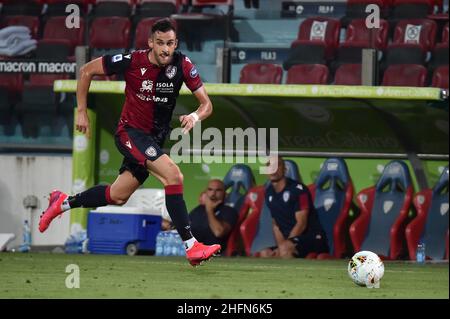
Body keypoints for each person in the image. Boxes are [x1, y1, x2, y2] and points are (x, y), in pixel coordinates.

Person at [38, 18, 220, 267]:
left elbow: (206, 104)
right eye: (160, 43)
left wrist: (194, 116)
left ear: (175, 43)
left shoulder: (183, 64)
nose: (166, 49)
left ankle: (63, 202)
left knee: (117, 195)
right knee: (173, 176)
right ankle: (191, 246)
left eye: (170, 43)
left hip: (153, 139)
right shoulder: (132, 61)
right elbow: (86, 71)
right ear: (150, 43)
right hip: (130, 133)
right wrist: (81, 110)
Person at [259, 156, 329, 258]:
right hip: (290, 241)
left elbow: (301, 223)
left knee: (285, 248)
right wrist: (280, 246)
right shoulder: (268, 192)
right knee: (265, 253)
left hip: (313, 239)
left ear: (285, 169)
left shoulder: (299, 190)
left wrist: (284, 245)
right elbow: (276, 225)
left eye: (277, 165)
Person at [189, 180, 238, 253]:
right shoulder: (199, 209)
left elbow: (218, 232)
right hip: (192, 252)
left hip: (215, 255)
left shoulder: (229, 211)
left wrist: (209, 210)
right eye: (210, 189)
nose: (213, 193)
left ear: (225, 194)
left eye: (218, 190)